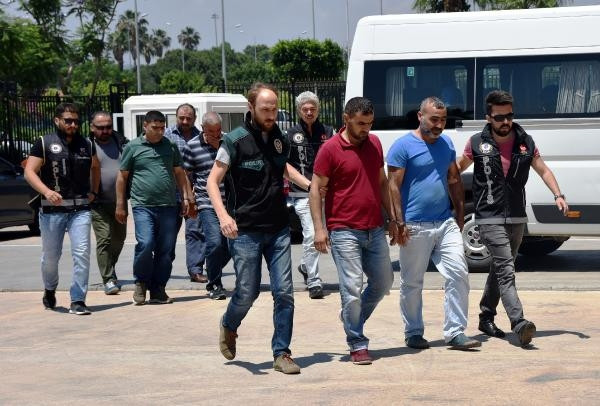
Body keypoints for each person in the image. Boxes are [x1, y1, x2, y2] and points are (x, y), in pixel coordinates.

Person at [207, 82, 309, 375]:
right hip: (245, 231)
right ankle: (229, 323)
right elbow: (213, 181)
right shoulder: (234, 141)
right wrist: (224, 217)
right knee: (247, 292)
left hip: (278, 228)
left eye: (274, 109)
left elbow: (282, 167)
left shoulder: (279, 137)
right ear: (251, 107)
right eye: (265, 109)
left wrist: (310, 185)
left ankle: (282, 352)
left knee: (284, 292)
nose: (271, 114)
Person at [457, 90, 569, 347]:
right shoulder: (476, 143)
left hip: (517, 216)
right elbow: (455, 170)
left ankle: (486, 316)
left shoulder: (525, 141)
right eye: (499, 117)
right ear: (488, 118)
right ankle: (519, 322)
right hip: (488, 216)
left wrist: (558, 195)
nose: (505, 121)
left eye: (509, 116)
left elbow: (543, 169)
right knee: (507, 269)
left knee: (500, 268)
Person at [387, 96, 481, 351]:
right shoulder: (402, 146)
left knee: (458, 273)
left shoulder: (446, 143)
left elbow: (454, 178)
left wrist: (459, 213)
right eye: (434, 119)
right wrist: (398, 221)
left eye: (443, 120)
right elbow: (393, 186)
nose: (439, 125)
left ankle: (455, 332)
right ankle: (413, 332)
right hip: (414, 225)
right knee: (412, 282)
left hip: (444, 222)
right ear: (420, 116)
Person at [309, 97, 395, 365]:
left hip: (375, 228)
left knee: (384, 283)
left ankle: (350, 317)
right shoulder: (330, 149)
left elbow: (382, 183)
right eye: (361, 124)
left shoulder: (375, 143)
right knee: (352, 288)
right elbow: (315, 190)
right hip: (343, 230)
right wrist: (319, 229)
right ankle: (357, 342)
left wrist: (393, 218)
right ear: (346, 119)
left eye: (369, 123)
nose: (366, 129)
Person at [24, 103, 100, 315]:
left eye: (76, 121)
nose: (73, 124)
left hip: (80, 210)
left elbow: (96, 167)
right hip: (52, 211)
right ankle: (49, 289)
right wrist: (46, 191)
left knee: (82, 253)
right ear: (57, 120)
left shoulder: (87, 144)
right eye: (68, 120)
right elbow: (29, 172)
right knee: (51, 257)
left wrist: (94, 191)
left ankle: (78, 300)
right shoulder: (44, 143)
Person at [115, 110, 192, 306]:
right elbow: (122, 177)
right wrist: (120, 204)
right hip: (143, 205)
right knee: (146, 243)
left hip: (168, 205)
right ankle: (141, 283)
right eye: (155, 128)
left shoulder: (170, 146)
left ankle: (158, 289)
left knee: (166, 249)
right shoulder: (133, 147)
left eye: (162, 128)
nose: (159, 132)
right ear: (145, 126)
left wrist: (185, 197)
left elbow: (179, 173)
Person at [286, 91, 334, 299]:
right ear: (299, 110)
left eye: (312, 109)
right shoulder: (290, 134)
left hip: (325, 193)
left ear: (318, 110)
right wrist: (309, 186)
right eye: (305, 109)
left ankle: (305, 266)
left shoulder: (328, 132)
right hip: (302, 194)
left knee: (326, 234)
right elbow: (284, 165)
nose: (309, 112)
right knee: (311, 233)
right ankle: (314, 281)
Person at [182, 112, 229, 300]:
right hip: (206, 202)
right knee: (214, 242)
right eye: (211, 131)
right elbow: (186, 174)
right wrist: (190, 199)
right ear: (203, 129)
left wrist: (221, 148)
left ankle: (212, 266)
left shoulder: (228, 142)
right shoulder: (192, 146)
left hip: (229, 201)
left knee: (230, 245)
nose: (216, 135)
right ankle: (214, 285)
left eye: (219, 130)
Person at [164, 103, 207, 284]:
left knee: (196, 232)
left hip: (194, 193)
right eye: (181, 118)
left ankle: (196, 270)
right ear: (176, 117)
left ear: (195, 119)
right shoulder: (166, 135)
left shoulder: (201, 137)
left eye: (188, 118)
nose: (184, 121)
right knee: (168, 235)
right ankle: (163, 269)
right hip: (170, 194)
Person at [89, 111, 128, 295]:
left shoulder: (122, 143)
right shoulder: (86, 146)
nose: (105, 130)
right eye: (100, 127)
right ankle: (108, 279)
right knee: (104, 239)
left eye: (108, 127)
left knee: (119, 239)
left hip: (120, 201)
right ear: (92, 127)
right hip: (97, 202)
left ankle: (109, 267)